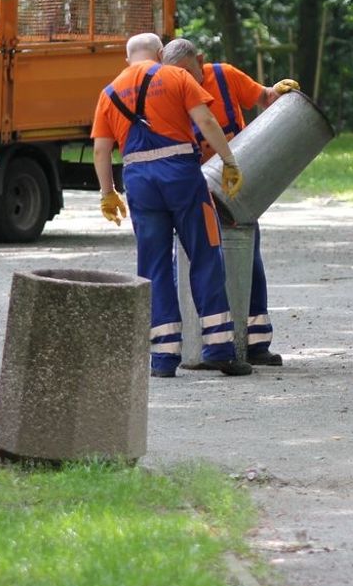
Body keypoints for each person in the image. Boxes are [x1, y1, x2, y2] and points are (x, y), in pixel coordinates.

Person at [91, 33, 253, 378]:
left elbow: (101, 150)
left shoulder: (109, 93)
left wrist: (108, 193)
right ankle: (220, 349)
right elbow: (206, 121)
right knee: (205, 254)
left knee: (154, 265)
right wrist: (229, 161)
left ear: (127, 60)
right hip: (182, 177)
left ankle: (163, 358)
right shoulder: (176, 75)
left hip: (139, 183)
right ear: (161, 53)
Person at [160, 38, 298, 367]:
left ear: (201, 61)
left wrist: (278, 91)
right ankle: (196, 342)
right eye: (175, 75)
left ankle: (255, 343)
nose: (182, 81)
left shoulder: (225, 76)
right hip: (195, 188)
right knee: (192, 265)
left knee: (249, 261)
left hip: (237, 186)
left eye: (187, 73)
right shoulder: (166, 94)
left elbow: (263, 97)